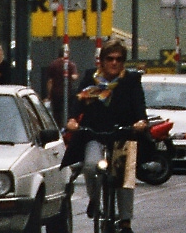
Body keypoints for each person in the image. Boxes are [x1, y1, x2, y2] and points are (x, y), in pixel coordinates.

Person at [66, 41, 146, 232]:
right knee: (90, 166)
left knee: (125, 177)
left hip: (122, 134)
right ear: (101, 61)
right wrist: (72, 121)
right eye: (110, 59)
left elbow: (139, 106)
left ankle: (125, 221)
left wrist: (140, 122)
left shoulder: (131, 80)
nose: (114, 63)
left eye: (119, 59)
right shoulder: (90, 79)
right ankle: (94, 200)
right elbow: (78, 102)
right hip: (95, 134)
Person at [43, 55, 80, 125]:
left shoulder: (53, 64)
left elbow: (50, 81)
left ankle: (58, 129)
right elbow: (74, 77)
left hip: (55, 93)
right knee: (68, 112)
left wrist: (49, 95)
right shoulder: (70, 64)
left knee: (56, 115)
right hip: (67, 93)